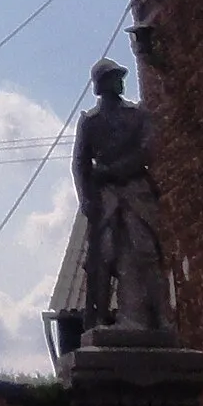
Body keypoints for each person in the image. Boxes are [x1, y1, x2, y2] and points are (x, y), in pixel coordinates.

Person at [72, 52, 171, 335]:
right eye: (114, 78)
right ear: (101, 85)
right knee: (104, 255)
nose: (120, 83)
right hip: (106, 197)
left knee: (146, 252)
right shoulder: (90, 121)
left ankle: (161, 317)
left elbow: (147, 150)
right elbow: (80, 164)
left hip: (136, 190)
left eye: (120, 78)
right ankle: (100, 318)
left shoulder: (138, 115)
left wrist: (115, 170)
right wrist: (86, 199)